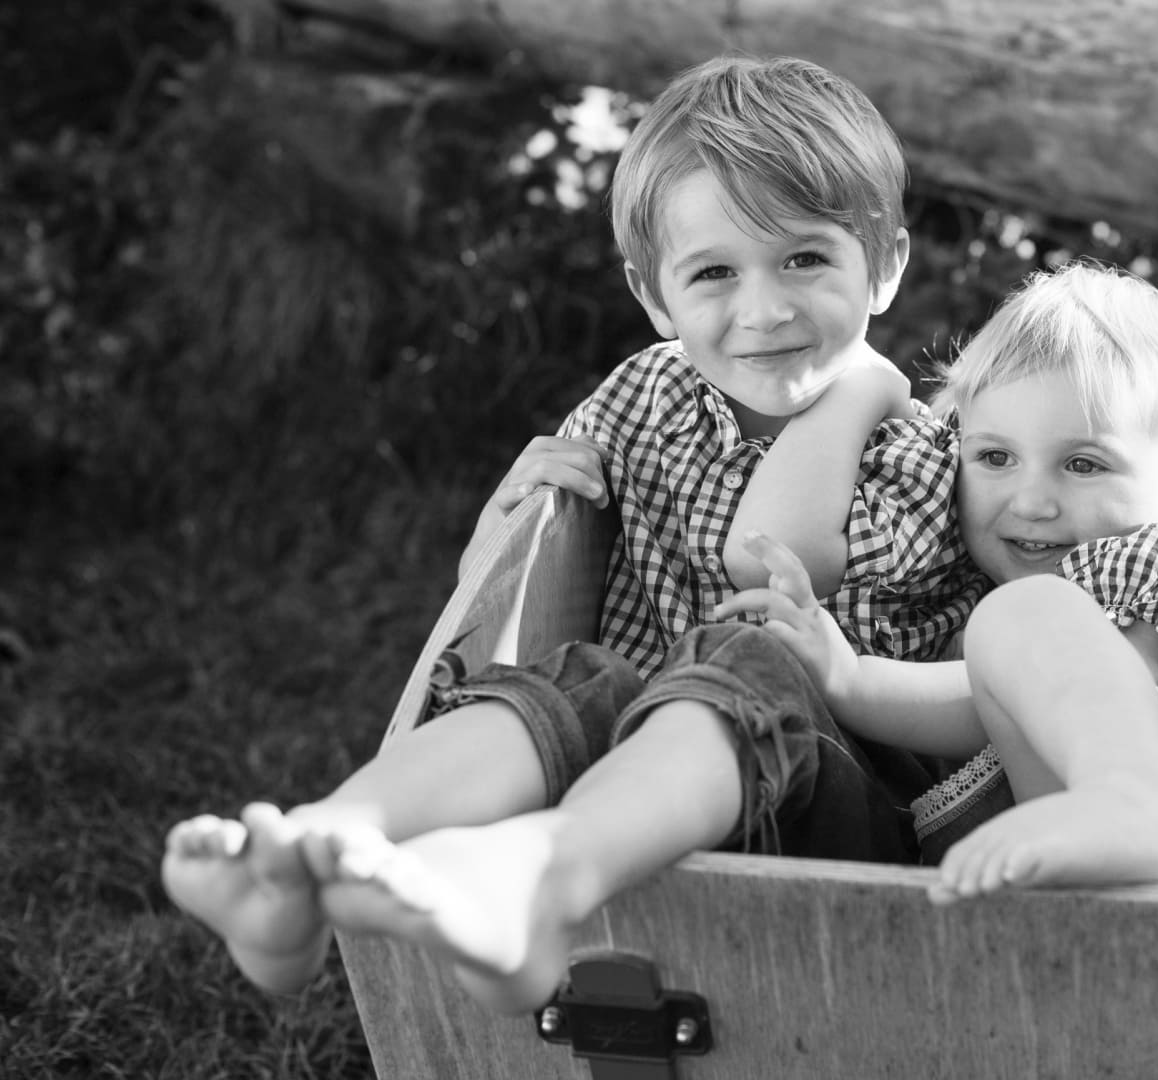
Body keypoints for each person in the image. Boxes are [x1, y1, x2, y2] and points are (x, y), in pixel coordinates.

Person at [160, 54, 984, 1014]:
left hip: (830, 821)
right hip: (625, 798)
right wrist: (506, 522)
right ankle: (312, 853)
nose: (763, 310)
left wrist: (858, 391)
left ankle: (534, 885)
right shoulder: (645, 396)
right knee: (583, 676)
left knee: (749, 653)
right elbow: (502, 606)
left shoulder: (920, 458)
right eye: (714, 273)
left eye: (804, 258)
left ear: (882, 264)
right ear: (654, 297)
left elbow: (770, 556)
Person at [719, 260, 1158, 904]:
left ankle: (1131, 803)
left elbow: (1046, 693)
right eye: (995, 457)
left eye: (1082, 464)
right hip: (1092, 917)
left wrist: (853, 680)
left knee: (1024, 615)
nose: (1032, 501)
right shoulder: (962, 586)